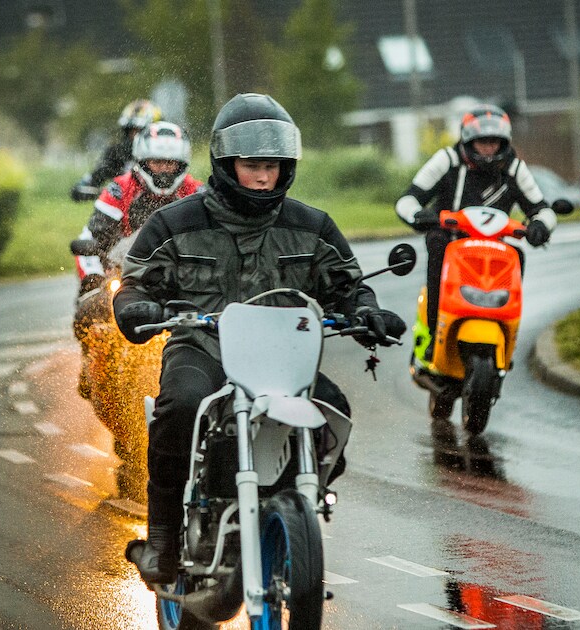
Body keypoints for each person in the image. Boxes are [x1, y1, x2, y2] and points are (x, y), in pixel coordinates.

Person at [113, 93, 406, 584]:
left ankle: (292, 506)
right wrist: (137, 305)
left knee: (334, 415)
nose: (264, 177)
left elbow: (349, 286)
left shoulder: (311, 226)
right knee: (181, 405)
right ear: (227, 164)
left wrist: (367, 311)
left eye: (272, 165)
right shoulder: (176, 223)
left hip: (281, 359)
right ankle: (163, 536)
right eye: (252, 166)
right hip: (202, 347)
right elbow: (136, 282)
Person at [394, 104, 556, 340]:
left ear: (505, 142)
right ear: (469, 142)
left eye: (495, 142)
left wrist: (540, 225)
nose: (489, 148)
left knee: (517, 255)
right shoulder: (447, 160)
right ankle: (433, 331)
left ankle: (507, 331)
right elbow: (407, 200)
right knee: (436, 242)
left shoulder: (514, 168)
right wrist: (418, 215)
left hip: (495, 247)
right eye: (483, 141)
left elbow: (543, 209)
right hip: (451, 241)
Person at [72, 120, 205, 296]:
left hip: (185, 278)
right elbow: (92, 235)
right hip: (125, 277)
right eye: (157, 162)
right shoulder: (119, 189)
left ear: (181, 164)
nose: (164, 170)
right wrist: (94, 278)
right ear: (143, 161)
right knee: (91, 309)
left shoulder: (197, 192)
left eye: (170, 163)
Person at [69, 99, 163, 201]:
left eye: (140, 131)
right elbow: (95, 178)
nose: (134, 136)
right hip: (126, 211)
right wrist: (85, 187)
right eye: (131, 131)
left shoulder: (167, 156)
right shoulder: (118, 154)